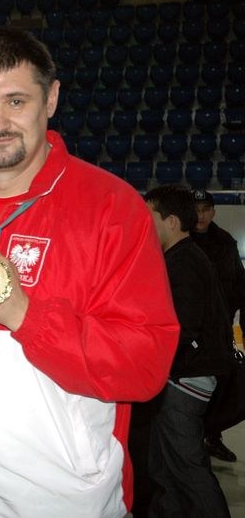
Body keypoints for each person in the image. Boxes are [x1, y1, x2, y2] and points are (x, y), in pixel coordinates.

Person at [0, 27, 179, 517]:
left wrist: (28, 317)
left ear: (51, 99)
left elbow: (144, 367)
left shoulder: (111, 209)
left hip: (62, 505)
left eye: (16, 100)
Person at [143, 184, 231, 517]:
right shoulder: (178, 258)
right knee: (164, 466)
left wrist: (149, 363)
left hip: (185, 380)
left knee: (186, 467)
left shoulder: (186, 263)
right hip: (179, 377)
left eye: (151, 217)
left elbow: (180, 329)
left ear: (173, 222)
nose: (145, 223)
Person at [191, 189, 245, 462]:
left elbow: (239, 287)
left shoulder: (226, 244)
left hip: (218, 331)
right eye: (196, 209)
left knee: (225, 385)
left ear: (213, 211)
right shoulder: (176, 241)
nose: (200, 215)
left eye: (205, 209)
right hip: (187, 331)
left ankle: (211, 434)